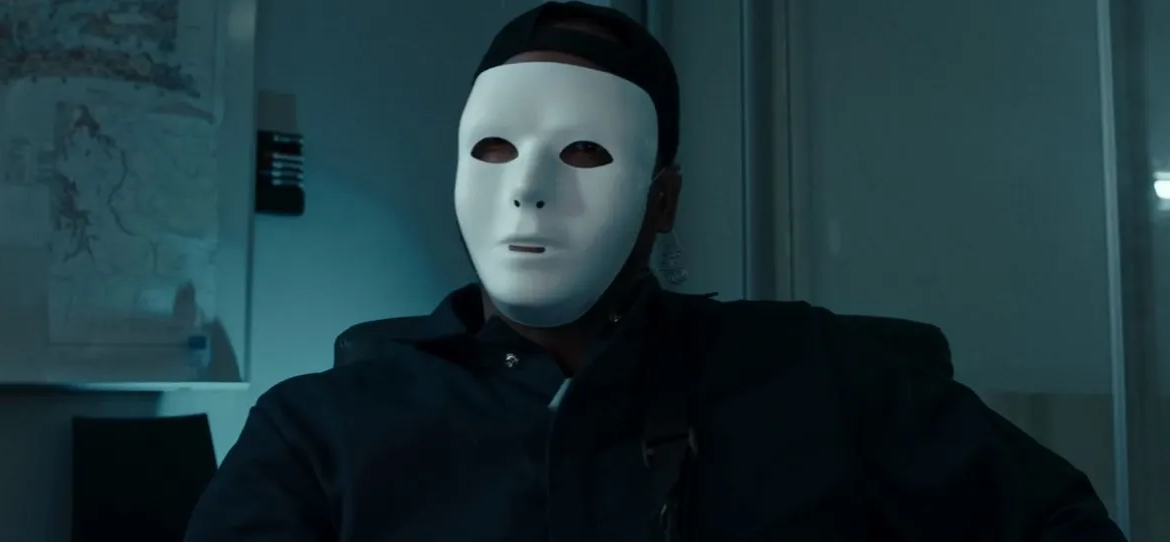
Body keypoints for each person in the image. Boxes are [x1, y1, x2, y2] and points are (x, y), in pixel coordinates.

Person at [184, 2, 1127, 541]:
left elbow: (1060, 525)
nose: (530, 191)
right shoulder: (320, 429)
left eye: (585, 153)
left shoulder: (818, 375)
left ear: (662, 198)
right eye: (496, 150)